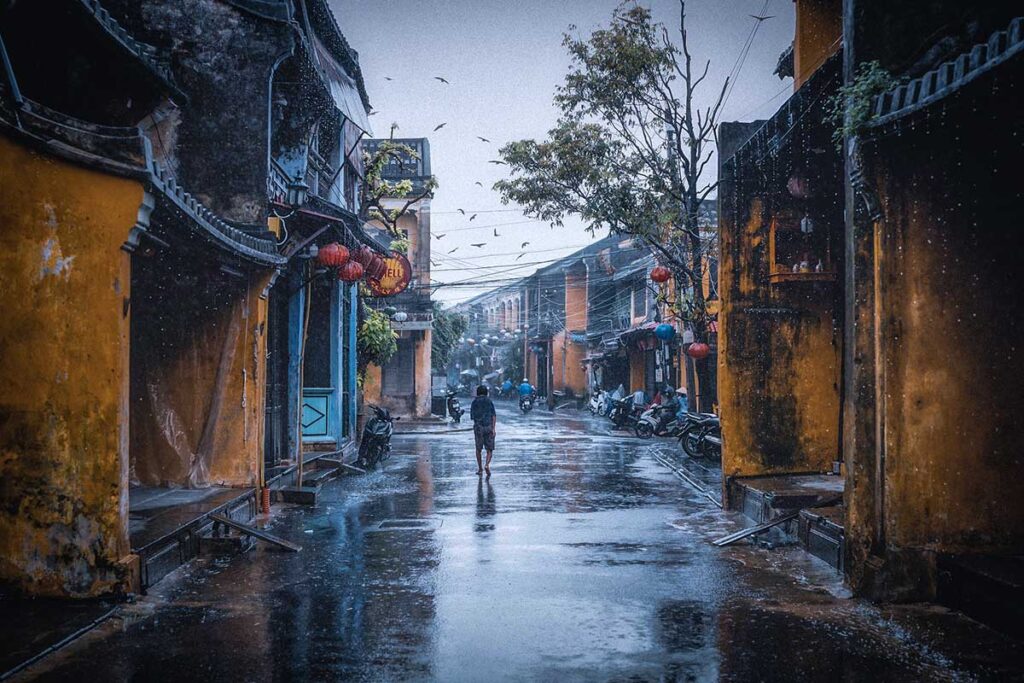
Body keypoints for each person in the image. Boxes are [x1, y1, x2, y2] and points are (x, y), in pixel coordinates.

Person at [470, 385, 497, 476]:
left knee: (478, 449)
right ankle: (487, 464)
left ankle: (480, 468)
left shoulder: (474, 402)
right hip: (488, 426)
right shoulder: (489, 401)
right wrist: (493, 428)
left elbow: (472, 417)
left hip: (478, 427)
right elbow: (493, 416)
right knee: (489, 449)